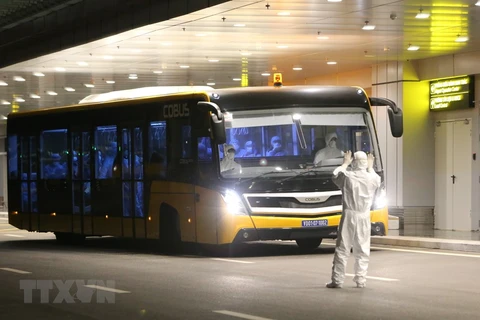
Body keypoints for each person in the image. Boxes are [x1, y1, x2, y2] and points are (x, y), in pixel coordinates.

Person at [326, 150, 381, 289]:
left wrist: (345, 163)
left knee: (343, 248)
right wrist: (370, 167)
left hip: (349, 215)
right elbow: (377, 179)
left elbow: (335, 175)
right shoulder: (372, 178)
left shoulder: (347, 177)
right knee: (362, 249)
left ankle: (337, 280)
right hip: (364, 215)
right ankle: (361, 280)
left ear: (354, 162)